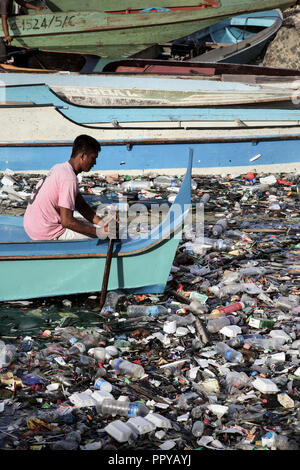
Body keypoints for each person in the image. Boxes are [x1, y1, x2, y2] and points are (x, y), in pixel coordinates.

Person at [23, 134, 116, 241]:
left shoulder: (59, 167)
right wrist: (100, 232)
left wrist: (103, 224)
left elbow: (81, 206)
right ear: (83, 156)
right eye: (93, 158)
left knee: (98, 229)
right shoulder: (69, 178)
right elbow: (67, 222)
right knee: (103, 237)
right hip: (46, 232)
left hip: (31, 226)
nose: (95, 163)